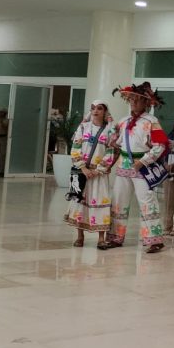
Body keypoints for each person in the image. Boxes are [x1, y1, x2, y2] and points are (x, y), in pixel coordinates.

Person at [107, 83, 169, 253]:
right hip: (123, 165)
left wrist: (144, 161)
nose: (133, 103)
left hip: (142, 166)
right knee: (119, 201)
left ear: (146, 103)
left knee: (147, 201)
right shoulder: (123, 121)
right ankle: (115, 237)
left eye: (137, 100)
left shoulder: (152, 121)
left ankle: (154, 239)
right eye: (131, 99)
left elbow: (161, 145)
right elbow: (117, 142)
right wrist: (112, 140)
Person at [64, 100, 116, 249]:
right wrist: (83, 168)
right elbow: (75, 148)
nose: (95, 111)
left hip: (99, 174)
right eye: (93, 108)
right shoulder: (83, 127)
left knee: (100, 202)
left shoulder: (109, 131)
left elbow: (110, 152)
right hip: (81, 172)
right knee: (80, 202)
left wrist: (98, 170)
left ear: (105, 111)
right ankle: (80, 236)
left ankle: (101, 238)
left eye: (99, 108)